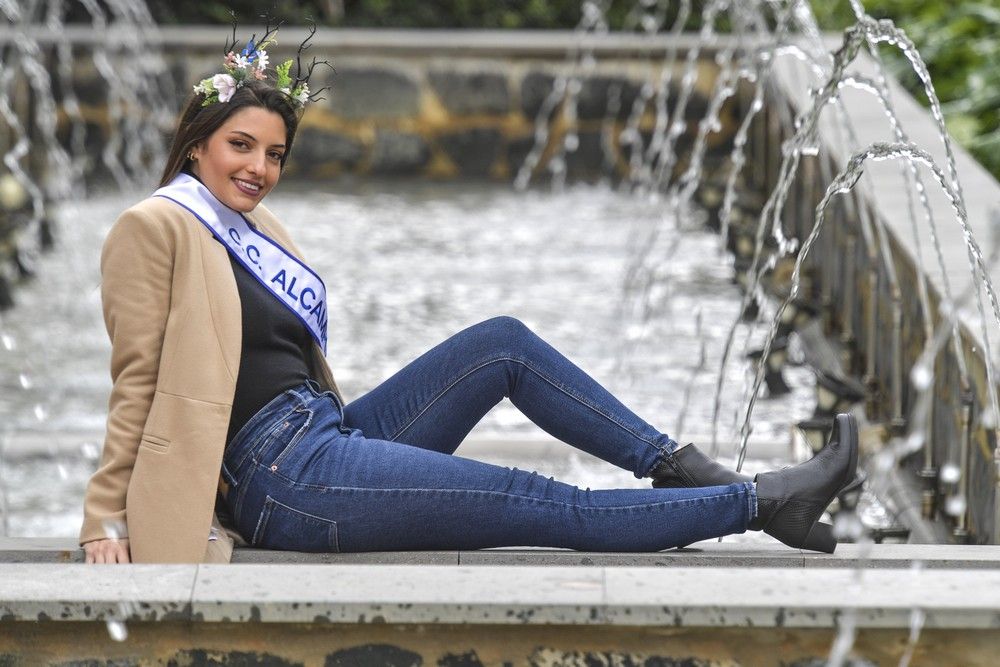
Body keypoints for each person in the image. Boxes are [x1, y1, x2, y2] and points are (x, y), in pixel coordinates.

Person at [79, 28, 859, 564]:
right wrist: (104, 522)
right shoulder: (156, 228)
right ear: (198, 144)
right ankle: (759, 502)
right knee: (538, 500)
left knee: (502, 343)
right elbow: (137, 382)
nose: (258, 168)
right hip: (281, 478)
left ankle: (680, 466)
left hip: (326, 433)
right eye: (240, 146)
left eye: (274, 153)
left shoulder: (254, 224)